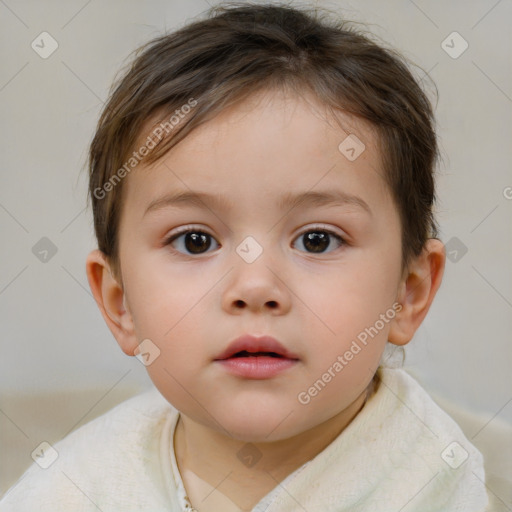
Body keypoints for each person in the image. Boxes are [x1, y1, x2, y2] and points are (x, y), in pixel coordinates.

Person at [0, 3, 489, 511]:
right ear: (119, 301)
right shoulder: (70, 489)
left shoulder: (441, 485)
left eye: (317, 240)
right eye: (195, 241)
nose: (255, 287)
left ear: (407, 293)